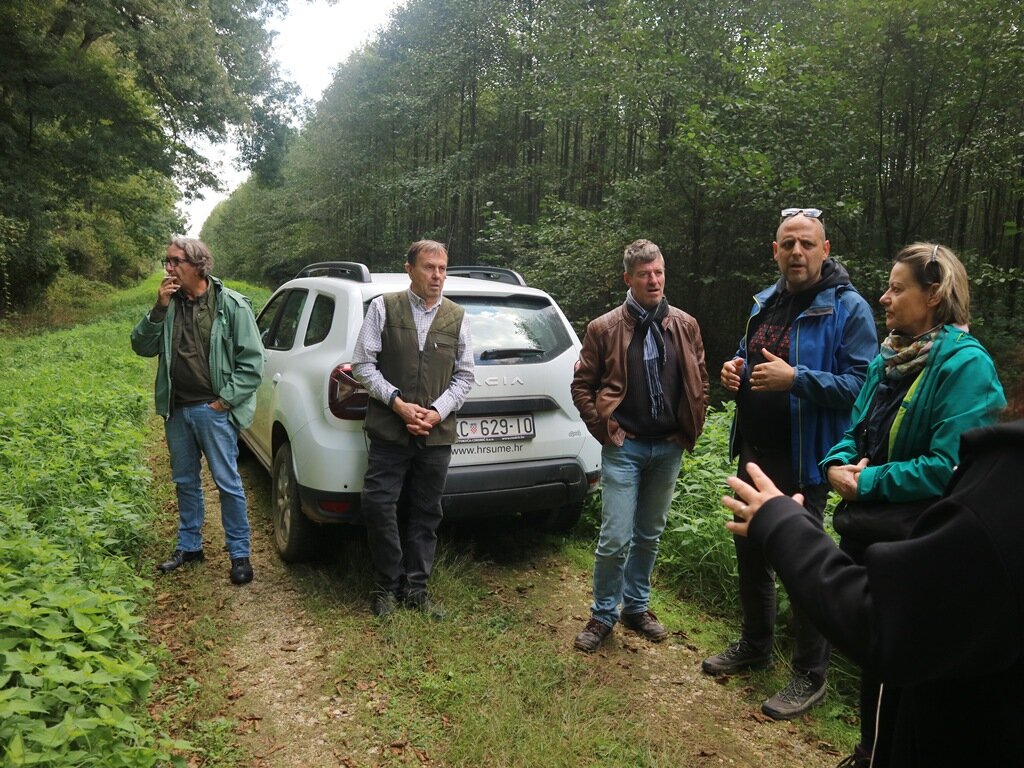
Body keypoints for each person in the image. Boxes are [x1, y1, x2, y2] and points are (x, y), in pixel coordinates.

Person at [722, 417, 1024, 768]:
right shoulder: (886, 371)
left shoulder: (1010, 481)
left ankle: (813, 680)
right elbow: (855, 429)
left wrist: (784, 524)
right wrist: (835, 464)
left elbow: (889, 625)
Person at [820, 242, 1005, 764]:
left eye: (898, 288)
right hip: (873, 538)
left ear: (936, 294)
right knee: (877, 666)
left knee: (901, 672)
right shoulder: (890, 357)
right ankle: (868, 750)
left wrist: (869, 481)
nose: (884, 298)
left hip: (918, 548)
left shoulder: (965, 368)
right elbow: (852, 431)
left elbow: (951, 468)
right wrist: (836, 465)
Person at [701, 208, 878, 719]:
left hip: (808, 457)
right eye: (787, 244)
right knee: (750, 550)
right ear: (775, 251)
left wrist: (796, 379)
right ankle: (755, 644)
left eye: (806, 244)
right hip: (757, 450)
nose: (796, 253)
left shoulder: (848, 309)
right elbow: (747, 352)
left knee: (802, 564)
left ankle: (810, 674)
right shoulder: (765, 300)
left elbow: (862, 386)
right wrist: (734, 368)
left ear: (825, 250)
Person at [570, 239, 709, 652]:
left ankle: (636, 607)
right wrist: (604, 429)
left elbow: (698, 379)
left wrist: (691, 427)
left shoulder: (685, 325)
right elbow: (582, 386)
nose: (654, 280)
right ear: (628, 279)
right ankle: (602, 614)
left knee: (649, 533)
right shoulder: (604, 328)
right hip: (625, 447)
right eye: (645, 274)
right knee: (616, 535)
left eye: (659, 272)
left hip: (668, 447)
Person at [131, 236, 265, 585]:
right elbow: (141, 346)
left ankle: (239, 555)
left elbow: (252, 363)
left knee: (227, 482)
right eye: (167, 261)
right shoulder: (169, 304)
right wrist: (158, 309)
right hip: (177, 410)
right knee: (185, 481)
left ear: (197, 265)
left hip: (213, 410)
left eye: (175, 261)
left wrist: (224, 402)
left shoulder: (231, 306)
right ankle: (190, 546)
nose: (169, 268)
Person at [352, 240, 474, 618]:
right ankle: (388, 585)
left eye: (442, 268)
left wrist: (436, 413)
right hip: (390, 430)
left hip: (435, 435)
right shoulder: (383, 307)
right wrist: (398, 404)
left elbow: (465, 376)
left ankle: (416, 589)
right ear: (410, 269)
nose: (437, 275)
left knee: (427, 511)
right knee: (378, 504)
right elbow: (362, 364)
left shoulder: (457, 316)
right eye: (428, 267)